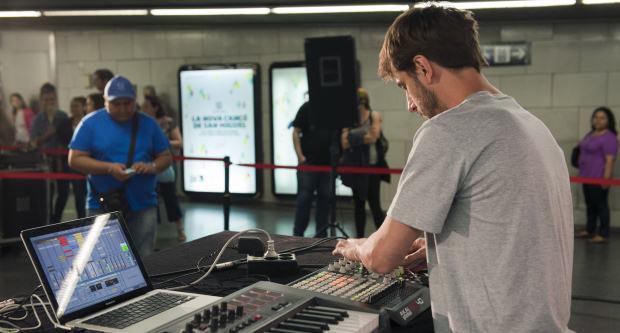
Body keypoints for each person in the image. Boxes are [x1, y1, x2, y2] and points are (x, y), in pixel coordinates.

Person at [332, 6, 574, 333]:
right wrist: (442, 245)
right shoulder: (530, 125)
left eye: (405, 86)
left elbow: (382, 257)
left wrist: (356, 247)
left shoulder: (448, 130)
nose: (410, 104)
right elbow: (512, 230)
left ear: (422, 67)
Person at [68, 76, 172, 257]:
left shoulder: (148, 124)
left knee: (145, 258)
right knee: (102, 259)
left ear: (135, 101)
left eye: (128, 103)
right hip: (101, 205)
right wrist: (108, 168)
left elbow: (166, 157)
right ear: (106, 101)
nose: (123, 109)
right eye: (117, 104)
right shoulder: (90, 124)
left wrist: (151, 166)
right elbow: (75, 159)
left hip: (143, 205)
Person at [341, 88, 388, 237]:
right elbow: (343, 143)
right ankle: (359, 238)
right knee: (358, 205)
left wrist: (353, 137)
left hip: (372, 167)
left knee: (374, 204)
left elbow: (373, 137)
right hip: (356, 167)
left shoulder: (374, 115)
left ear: (363, 102)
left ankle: (382, 238)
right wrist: (362, 137)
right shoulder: (349, 118)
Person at [142, 94, 186, 242]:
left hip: (165, 166)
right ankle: (150, 233)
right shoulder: (143, 124)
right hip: (148, 167)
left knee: (170, 198)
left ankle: (180, 230)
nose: (144, 108)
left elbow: (179, 143)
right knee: (149, 201)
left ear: (155, 107)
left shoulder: (168, 122)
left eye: (147, 106)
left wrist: (162, 142)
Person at [575, 107, 618, 243]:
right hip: (586, 177)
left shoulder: (610, 137)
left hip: (599, 178)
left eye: (602, 118)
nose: (598, 120)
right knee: (590, 204)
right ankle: (590, 229)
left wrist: (606, 179)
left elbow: (610, 160)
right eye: (596, 117)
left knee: (600, 205)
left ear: (608, 120)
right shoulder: (590, 135)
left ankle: (603, 233)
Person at [30, 83, 70, 224]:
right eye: (46, 100)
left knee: (64, 193)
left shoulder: (63, 116)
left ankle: (56, 219)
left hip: (62, 162)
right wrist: (48, 134)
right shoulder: (37, 120)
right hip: (45, 163)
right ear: (41, 100)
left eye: (52, 99)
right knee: (47, 195)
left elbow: (69, 139)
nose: (49, 103)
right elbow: (33, 143)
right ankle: (47, 222)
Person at [292, 101, 332, 237]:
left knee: (325, 199)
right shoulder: (306, 107)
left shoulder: (332, 110)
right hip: (308, 163)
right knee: (304, 198)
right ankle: (298, 234)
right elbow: (296, 131)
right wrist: (300, 156)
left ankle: (321, 234)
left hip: (327, 165)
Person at [57, 97, 88, 219]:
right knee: (63, 194)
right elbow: (60, 143)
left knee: (80, 194)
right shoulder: (65, 123)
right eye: (72, 106)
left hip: (82, 163)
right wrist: (59, 162)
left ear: (83, 107)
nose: (74, 108)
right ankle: (55, 220)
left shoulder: (87, 123)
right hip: (66, 162)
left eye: (76, 105)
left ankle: (82, 219)